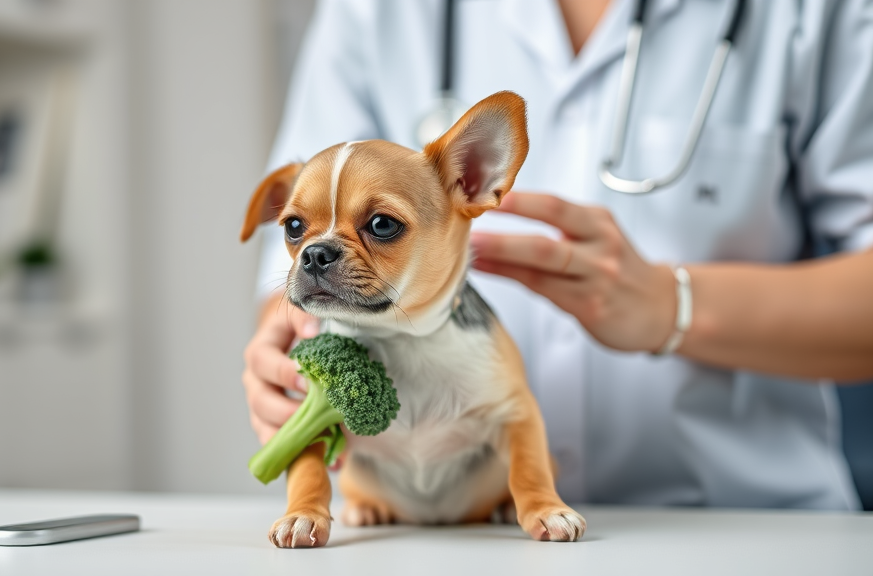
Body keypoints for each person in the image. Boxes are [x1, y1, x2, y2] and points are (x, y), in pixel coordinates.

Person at [242, 0, 873, 509]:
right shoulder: (374, 12)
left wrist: (674, 307)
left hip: (743, 521)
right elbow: (300, 259)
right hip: (439, 535)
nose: (313, 247)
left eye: (381, 225)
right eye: (297, 229)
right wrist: (288, 350)